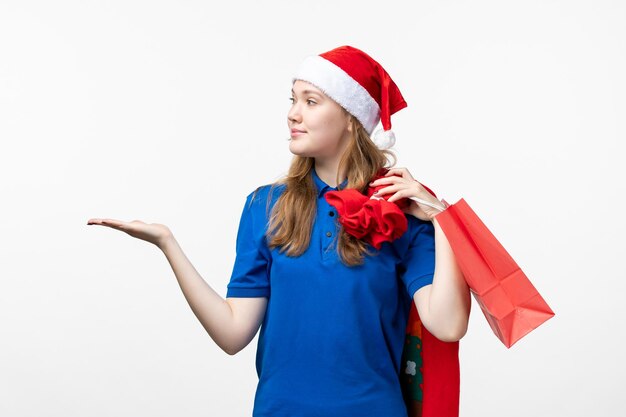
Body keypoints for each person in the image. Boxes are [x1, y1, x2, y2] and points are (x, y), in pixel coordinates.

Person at [87, 45, 471, 417]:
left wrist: (441, 218)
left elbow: (448, 324)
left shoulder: (398, 212)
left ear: (351, 118)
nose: (293, 114)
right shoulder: (265, 206)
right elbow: (233, 334)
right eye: (292, 100)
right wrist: (167, 244)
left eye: (310, 101)